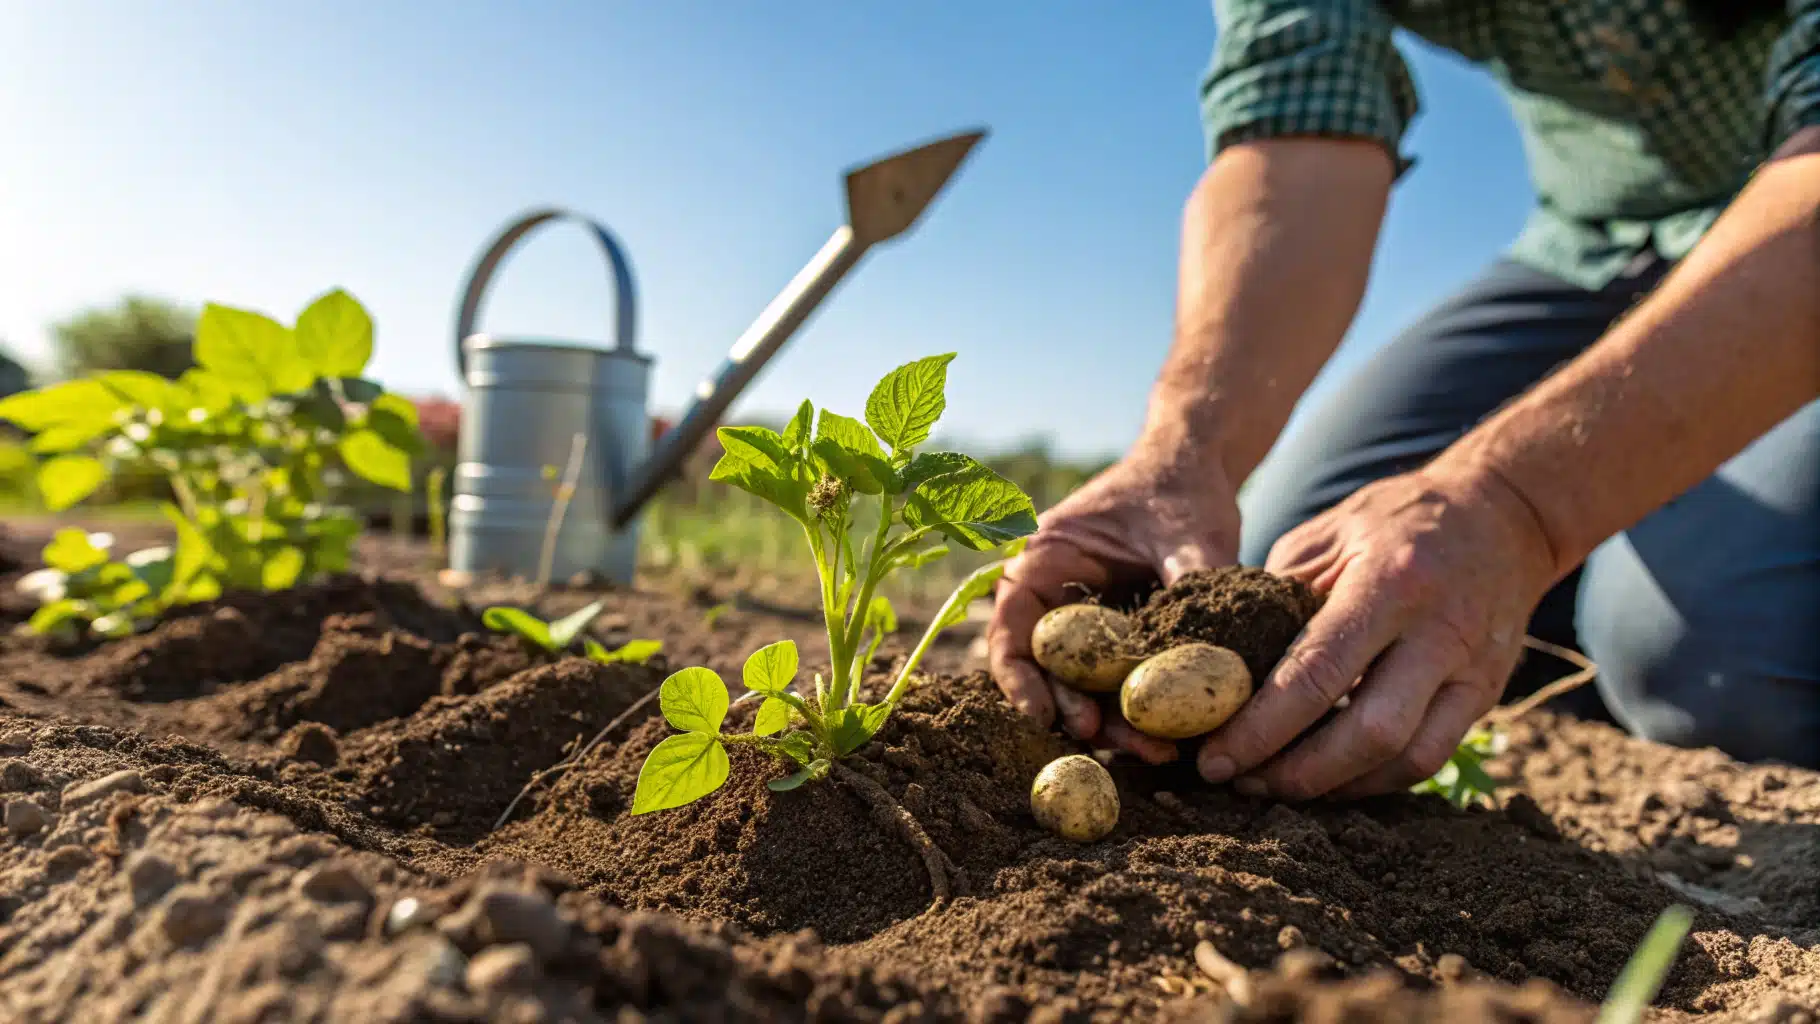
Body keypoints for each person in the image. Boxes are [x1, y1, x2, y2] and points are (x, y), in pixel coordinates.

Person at [989, 0, 1820, 798]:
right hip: (1594, 242)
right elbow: (1299, 104)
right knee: (1305, 583)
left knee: (1713, 663)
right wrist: (1186, 450)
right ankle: (1580, 589)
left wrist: (1517, 505)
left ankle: (1618, 591)